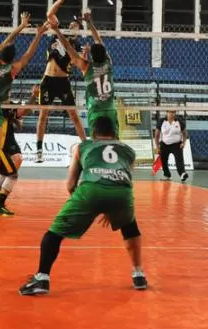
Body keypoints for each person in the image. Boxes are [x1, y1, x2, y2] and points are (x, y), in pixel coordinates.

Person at [18, 115, 146, 296]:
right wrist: (111, 208)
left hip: (90, 192)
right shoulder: (129, 151)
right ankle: (139, 274)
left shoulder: (83, 146)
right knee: (130, 227)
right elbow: (124, 179)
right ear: (114, 133)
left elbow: (70, 184)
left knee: (53, 234)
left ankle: (42, 277)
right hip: (122, 194)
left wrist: (80, 204)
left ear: (94, 133)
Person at [0, 12, 47, 204]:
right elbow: (28, 56)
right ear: (12, 59)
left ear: (0, 53)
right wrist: (38, 35)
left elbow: (6, 41)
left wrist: (21, 26)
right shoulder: (12, 70)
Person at [48, 9, 117, 137]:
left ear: (92, 56)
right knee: (114, 138)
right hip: (110, 108)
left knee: (96, 140)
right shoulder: (108, 63)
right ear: (105, 54)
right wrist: (90, 22)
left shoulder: (87, 66)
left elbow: (69, 49)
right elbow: (98, 40)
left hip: (95, 109)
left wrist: (57, 31)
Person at [35, 8, 86, 162]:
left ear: (79, 32)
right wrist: (59, 2)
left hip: (63, 82)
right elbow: (50, 16)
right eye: (71, 25)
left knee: (74, 116)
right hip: (48, 80)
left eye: (75, 26)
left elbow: (79, 63)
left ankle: (86, 145)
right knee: (43, 115)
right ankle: (39, 151)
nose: (72, 26)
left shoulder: (76, 47)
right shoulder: (55, 37)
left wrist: (84, 55)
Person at [0, 85, 37, 216]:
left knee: (16, 160)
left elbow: (19, 116)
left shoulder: (3, 105)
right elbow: (23, 111)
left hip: (3, 140)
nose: (9, 94)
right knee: (12, 174)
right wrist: (34, 96)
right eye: (7, 92)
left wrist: (15, 119)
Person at [154, 110, 188, 181]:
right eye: (170, 112)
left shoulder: (179, 121)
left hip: (177, 144)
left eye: (173, 112)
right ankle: (167, 175)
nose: (172, 114)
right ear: (167, 112)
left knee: (179, 160)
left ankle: (182, 174)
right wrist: (157, 147)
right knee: (163, 160)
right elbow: (157, 135)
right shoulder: (161, 121)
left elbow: (185, 133)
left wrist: (183, 143)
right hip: (164, 144)